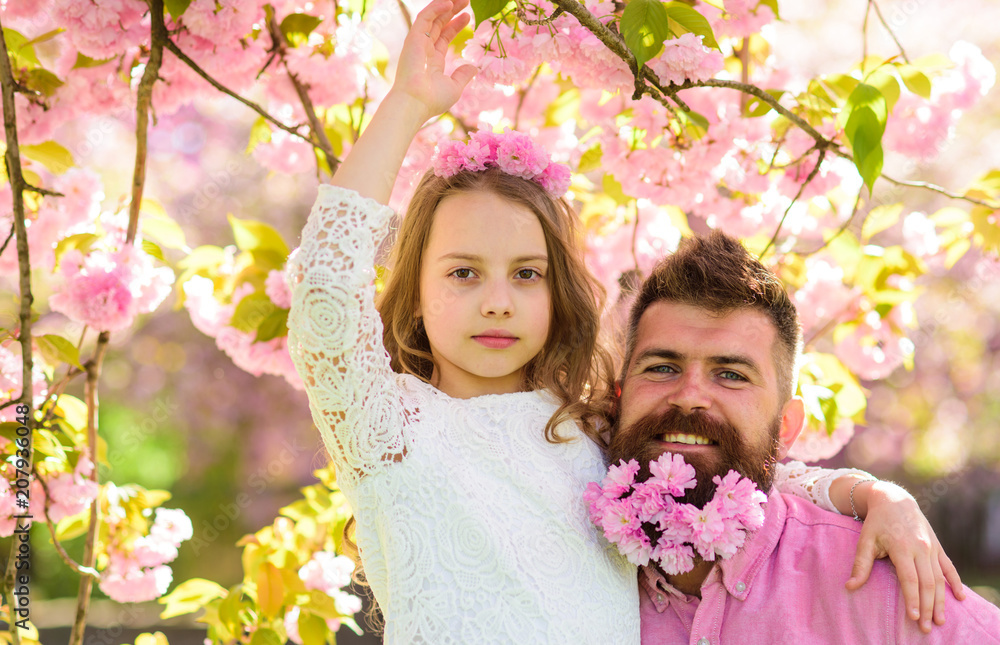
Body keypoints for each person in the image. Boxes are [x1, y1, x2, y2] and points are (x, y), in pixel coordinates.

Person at [285, 1, 962, 641]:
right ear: (416, 293)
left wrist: (872, 493)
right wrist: (405, 107)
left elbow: (728, 465)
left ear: (558, 296)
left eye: (527, 273)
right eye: (464, 273)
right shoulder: (385, 427)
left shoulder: (581, 429)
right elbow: (323, 288)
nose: (498, 300)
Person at [606, 231, 1000, 643]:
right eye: (662, 367)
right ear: (616, 402)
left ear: (786, 429)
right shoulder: (564, 546)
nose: (689, 398)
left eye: (731, 375)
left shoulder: (882, 588)